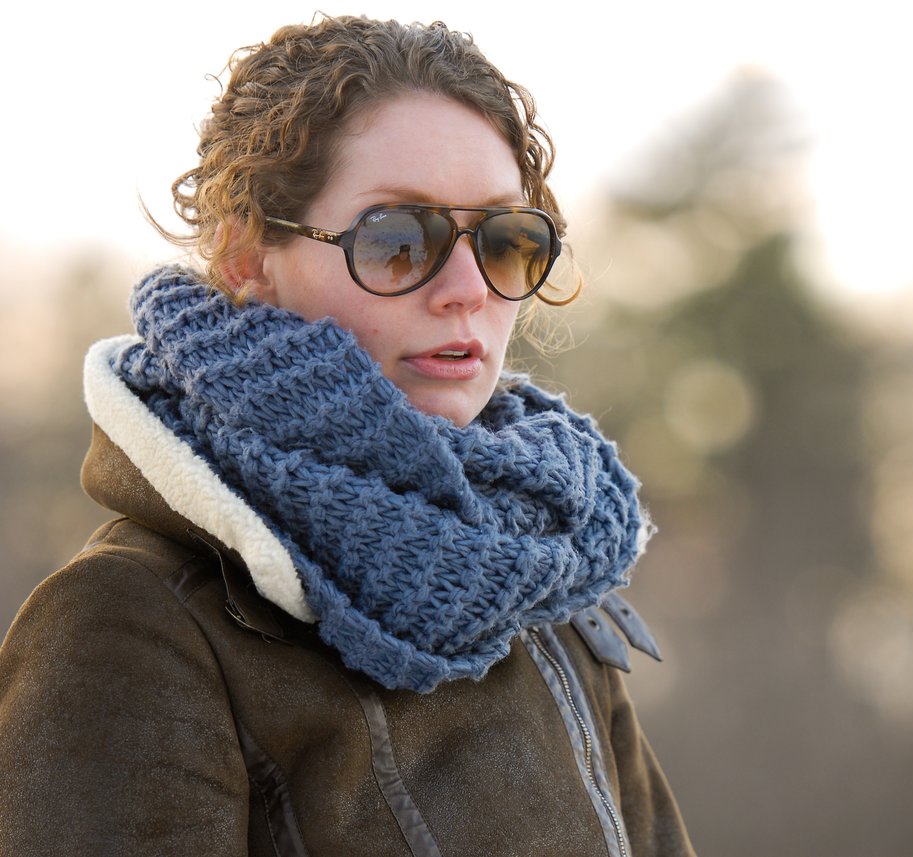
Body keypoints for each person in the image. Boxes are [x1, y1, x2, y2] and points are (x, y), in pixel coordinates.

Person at [0, 15, 695, 857]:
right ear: (248, 258)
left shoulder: (541, 564)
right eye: (399, 240)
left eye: (506, 241)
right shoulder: (128, 624)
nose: (468, 289)